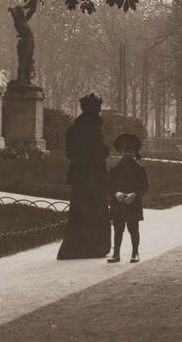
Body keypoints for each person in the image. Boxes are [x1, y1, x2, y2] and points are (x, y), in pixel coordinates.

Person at [57, 94, 112, 260]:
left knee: (79, 211)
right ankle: (94, 248)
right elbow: (102, 152)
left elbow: (70, 153)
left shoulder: (74, 128)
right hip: (94, 176)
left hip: (79, 175)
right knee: (96, 211)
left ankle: (74, 248)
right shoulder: (94, 128)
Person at [108, 133, 149, 263]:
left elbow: (144, 186)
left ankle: (135, 252)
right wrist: (116, 194)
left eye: (130, 151)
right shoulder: (114, 170)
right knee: (118, 229)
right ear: (120, 152)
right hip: (118, 204)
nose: (127, 154)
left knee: (133, 229)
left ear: (134, 152)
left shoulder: (139, 170)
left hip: (133, 203)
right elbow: (108, 185)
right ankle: (116, 253)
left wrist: (135, 194)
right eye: (125, 151)